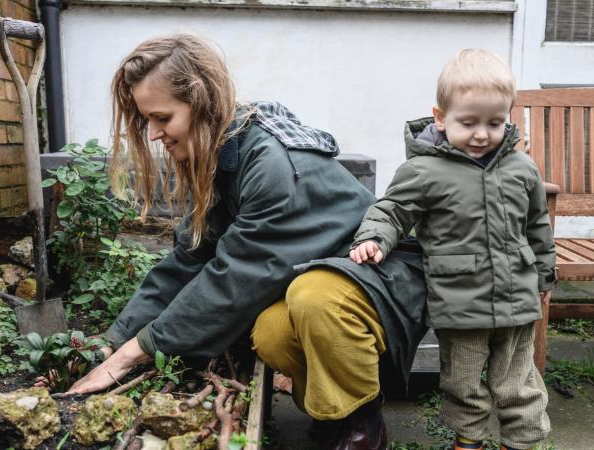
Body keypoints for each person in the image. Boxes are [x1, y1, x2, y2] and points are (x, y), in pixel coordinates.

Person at [66, 34, 428, 450]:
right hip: (328, 283)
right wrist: (112, 341)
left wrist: (133, 353)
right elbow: (189, 261)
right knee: (270, 330)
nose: (152, 133)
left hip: (380, 281)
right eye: (147, 119)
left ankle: (364, 424)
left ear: (200, 102)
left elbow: (231, 282)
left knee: (314, 298)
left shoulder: (270, 167)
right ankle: (333, 411)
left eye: (162, 118)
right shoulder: (224, 156)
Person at [349, 49, 556, 450]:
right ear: (440, 117)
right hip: (458, 301)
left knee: (519, 383)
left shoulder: (521, 168)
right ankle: (470, 439)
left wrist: (545, 274)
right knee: (462, 381)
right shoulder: (424, 171)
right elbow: (392, 211)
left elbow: (537, 226)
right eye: (469, 123)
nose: (482, 134)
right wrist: (372, 239)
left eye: (495, 123)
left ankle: (522, 441)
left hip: (516, 298)